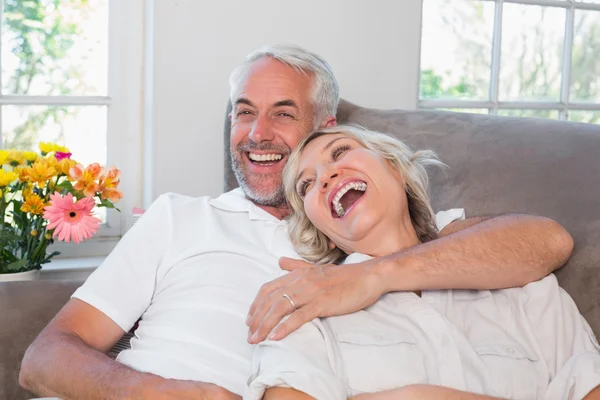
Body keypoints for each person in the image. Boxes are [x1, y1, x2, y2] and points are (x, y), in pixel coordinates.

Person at [19, 45, 573, 400]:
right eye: (243, 111)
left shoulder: (377, 227)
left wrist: (369, 276)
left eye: (283, 113)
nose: (257, 133)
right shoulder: (179, 217)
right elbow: (44, 360)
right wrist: (166, 394)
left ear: (323, 126)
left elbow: (542, 241)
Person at [246, 125, 600, 400]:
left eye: (340, 152)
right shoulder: (304, 306)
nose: (326, 176)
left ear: (397, 169)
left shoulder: (523, 285)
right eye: (307, 185)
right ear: (322, 232)